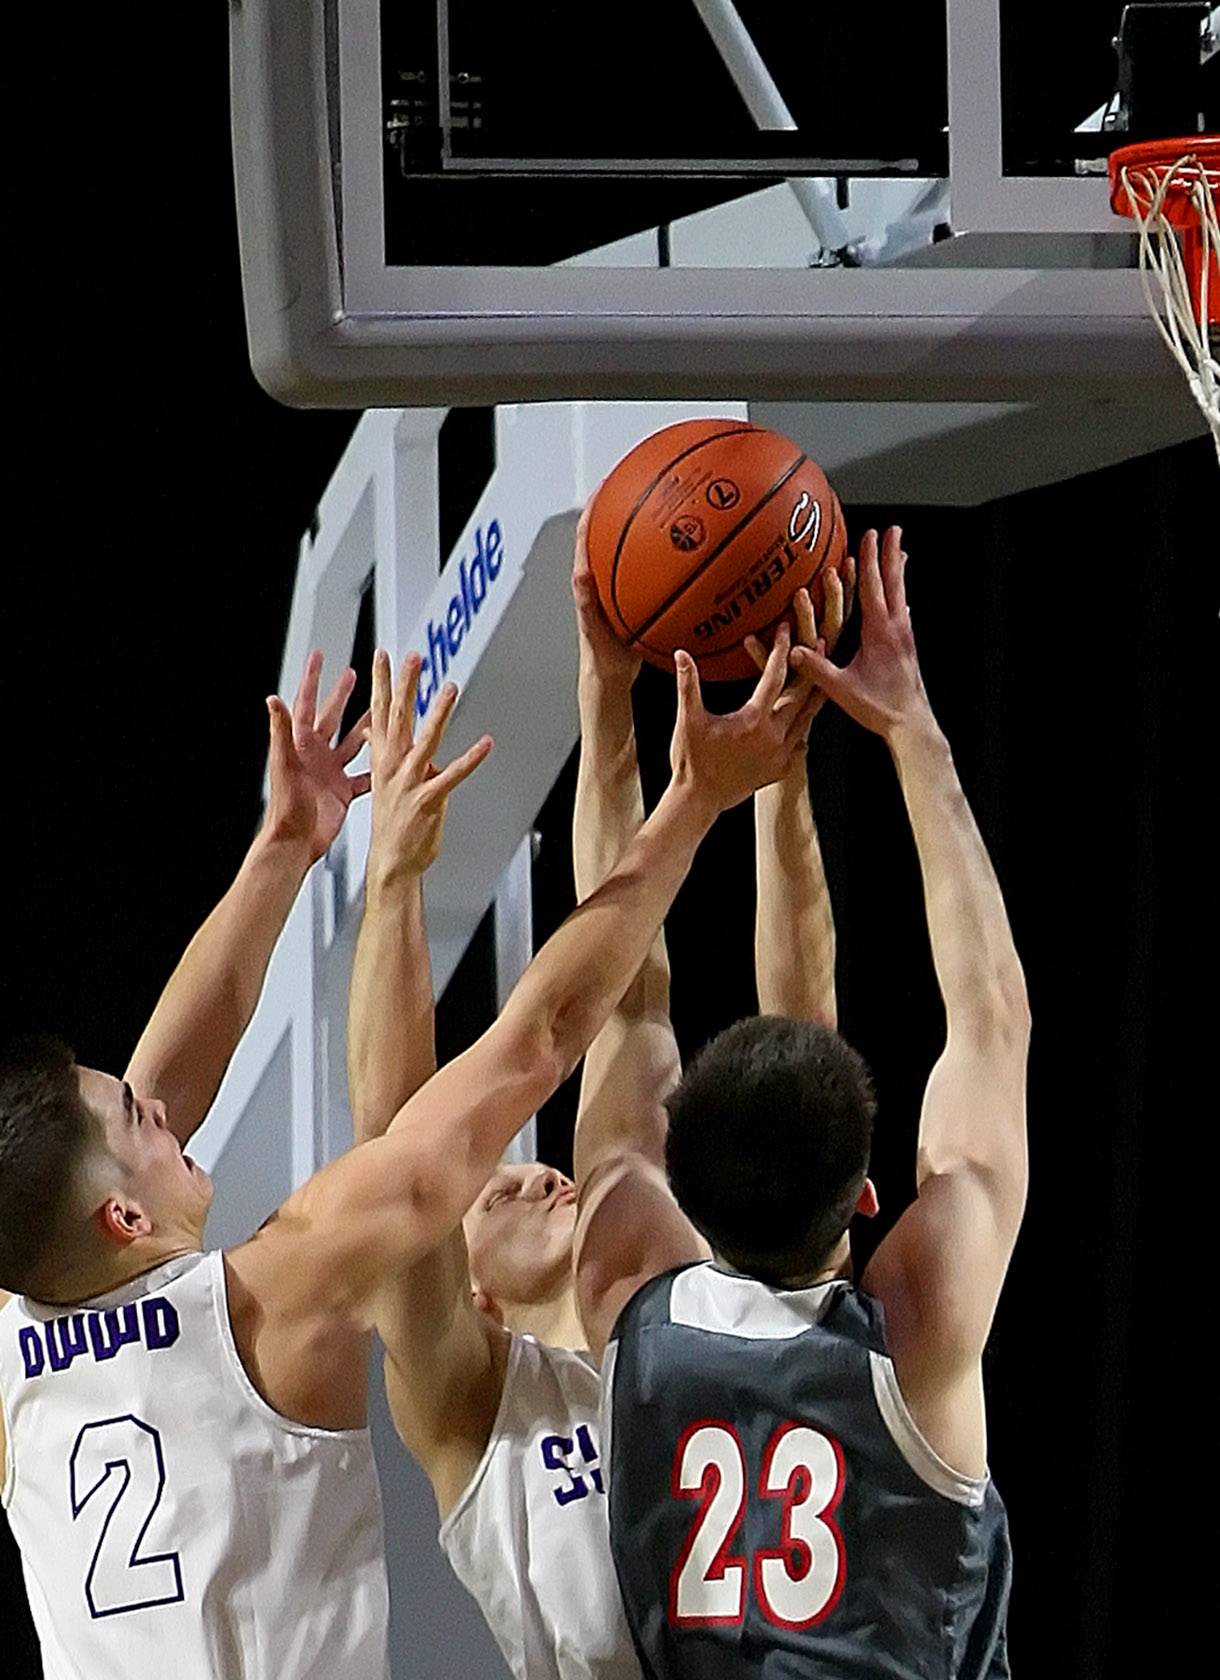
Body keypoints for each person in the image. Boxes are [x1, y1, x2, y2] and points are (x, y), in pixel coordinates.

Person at [0, 631, 811, 1679]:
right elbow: (540, 1040)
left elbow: (144, 1106)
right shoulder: (281, 1297)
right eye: (143, 1124)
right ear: (121, 1219)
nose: (164, 1111)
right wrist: (696, 800)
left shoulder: (17, 1353)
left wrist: (287, 843)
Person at [345, 510, 845, 1680]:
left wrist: (676, 720)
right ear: (464, 1280)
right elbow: (394, 1147)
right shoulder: (474, 1406)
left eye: (522, 1163)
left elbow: (758, 1019)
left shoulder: (700, 1295)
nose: (530, 1167)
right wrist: (394, 886)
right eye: (490, 1188)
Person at [580, 527, 1028, 1678]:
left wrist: (608, 703)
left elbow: (621, 1002)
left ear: (680, 1184)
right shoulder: (917, 1326)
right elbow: (990, 1018)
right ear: (870, 1196)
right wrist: (905, 723)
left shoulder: (632, 1293)